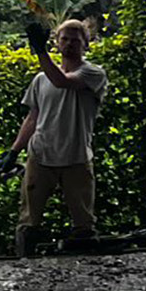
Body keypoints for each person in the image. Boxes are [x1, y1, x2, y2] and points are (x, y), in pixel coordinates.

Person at [9, 18, 108, 255]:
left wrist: (40, 51)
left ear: (86, 44)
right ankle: (24, 262)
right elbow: (33, 117)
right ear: (57, 42)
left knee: (83, 223)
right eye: (65, 39)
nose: (70, 44)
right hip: (40, 155)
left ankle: (84, 266)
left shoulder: (93, 73)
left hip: (76, 156)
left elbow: (62, 81)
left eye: (76, 40)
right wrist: (13, 152)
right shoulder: (40, 79)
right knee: (28, 220)